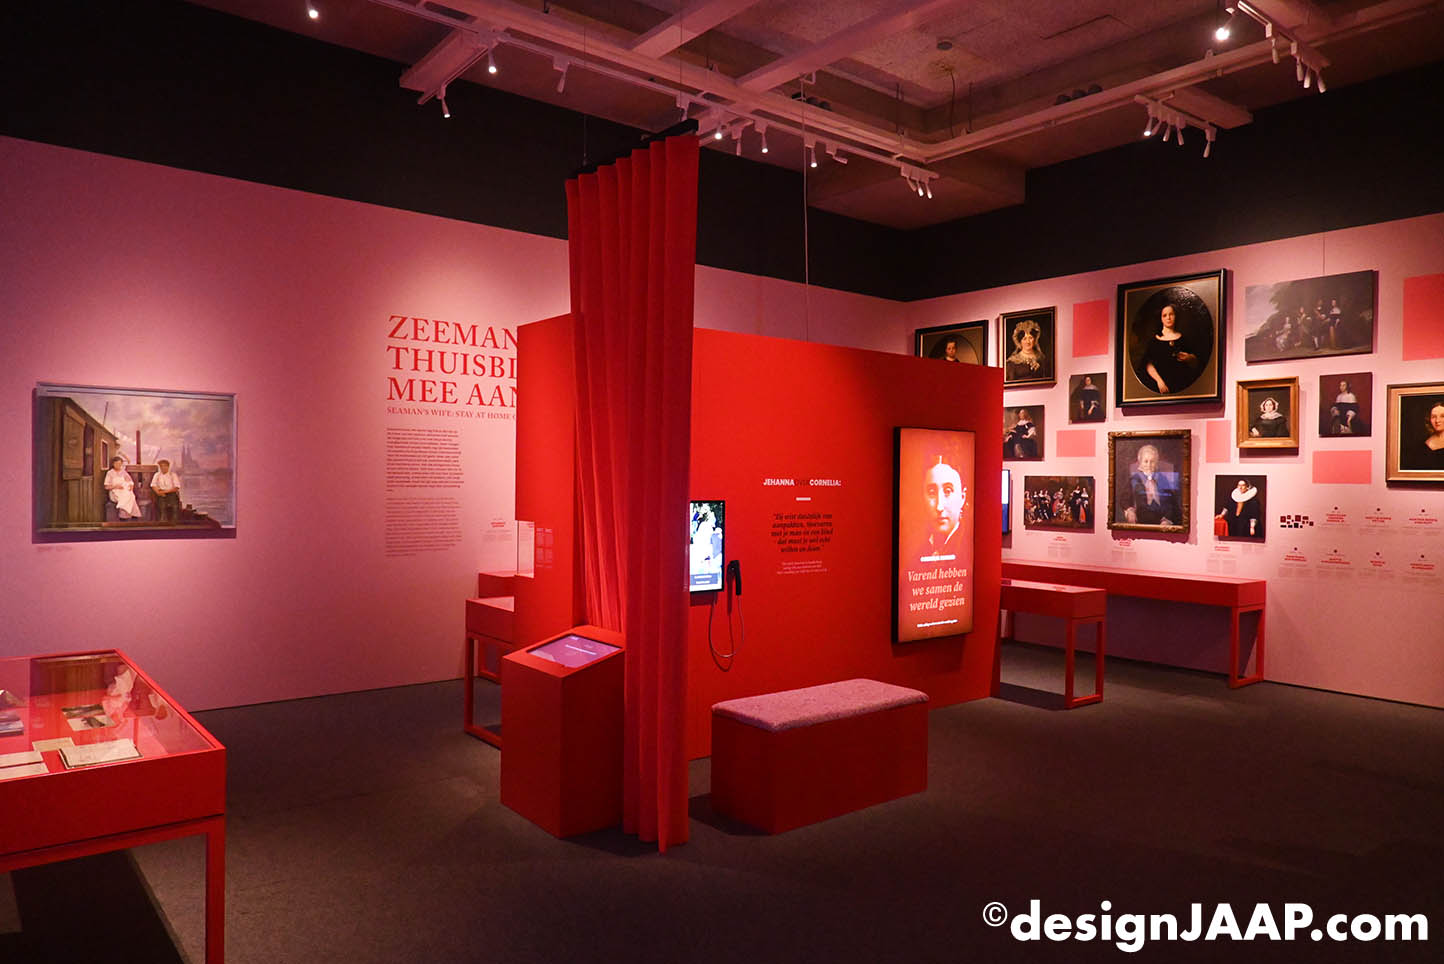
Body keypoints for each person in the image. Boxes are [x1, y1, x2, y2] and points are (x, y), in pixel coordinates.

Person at [1141, 303, 1204, 394]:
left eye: (1171, 314)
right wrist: (1159, 381)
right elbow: (1148, 364)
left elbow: (1196, 362)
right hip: (1162, 386)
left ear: (1175, 316)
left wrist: (1189, 358)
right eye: (1164, 315)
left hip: (1183, 385)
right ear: (1161, 319)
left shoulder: (1184, 339)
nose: (1168, 318)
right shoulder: (1154, 341)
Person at [918, 457, 967, 559]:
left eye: (948, 491)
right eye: (932, 493)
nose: (939, 506)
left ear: (962, 498)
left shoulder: (969, 549)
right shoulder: (917, 553)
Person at [1121, 444, 1180, 526]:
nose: (1149, 465)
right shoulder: (1134, 480)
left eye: (1152, 461)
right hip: (1141, 520)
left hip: (1161, 521)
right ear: (1140, 462)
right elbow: (1124, 500)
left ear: (1156, 463)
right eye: (1146, 461)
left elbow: (1172, 502)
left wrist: (1168, 519)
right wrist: (1130, 511)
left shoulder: (1163, 479)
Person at [1401, 400, 1444, 470]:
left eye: (1442, 416)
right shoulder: (1422, 445)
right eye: (1433, 417)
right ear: (1429, 419)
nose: (1437, 421)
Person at [103, 455, 142, 520]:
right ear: (113, 464)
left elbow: (130, 481)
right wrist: (116, 486)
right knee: (124, 497)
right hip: (114, 492)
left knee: (131, 495)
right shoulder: (110, 473)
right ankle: (124, 516)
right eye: (116, 464)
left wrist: (131, 486)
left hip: (124, 489)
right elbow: (106, 486)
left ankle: (133, 514)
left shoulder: (123, 472)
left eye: (119, 464)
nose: (118, 465)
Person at [150, 457, 182, 522]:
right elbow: (153, 485)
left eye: (165, 466)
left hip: (171, 492)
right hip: (160, 492)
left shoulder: (173, 475)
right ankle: (163, 517)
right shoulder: (157, 475)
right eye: (161, 466)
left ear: (168, 467)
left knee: (174, 503)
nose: (163, 468)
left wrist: (166, 491)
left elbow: (176, 487)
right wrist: (158, 492)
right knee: (161, 501)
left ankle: (174, 519)